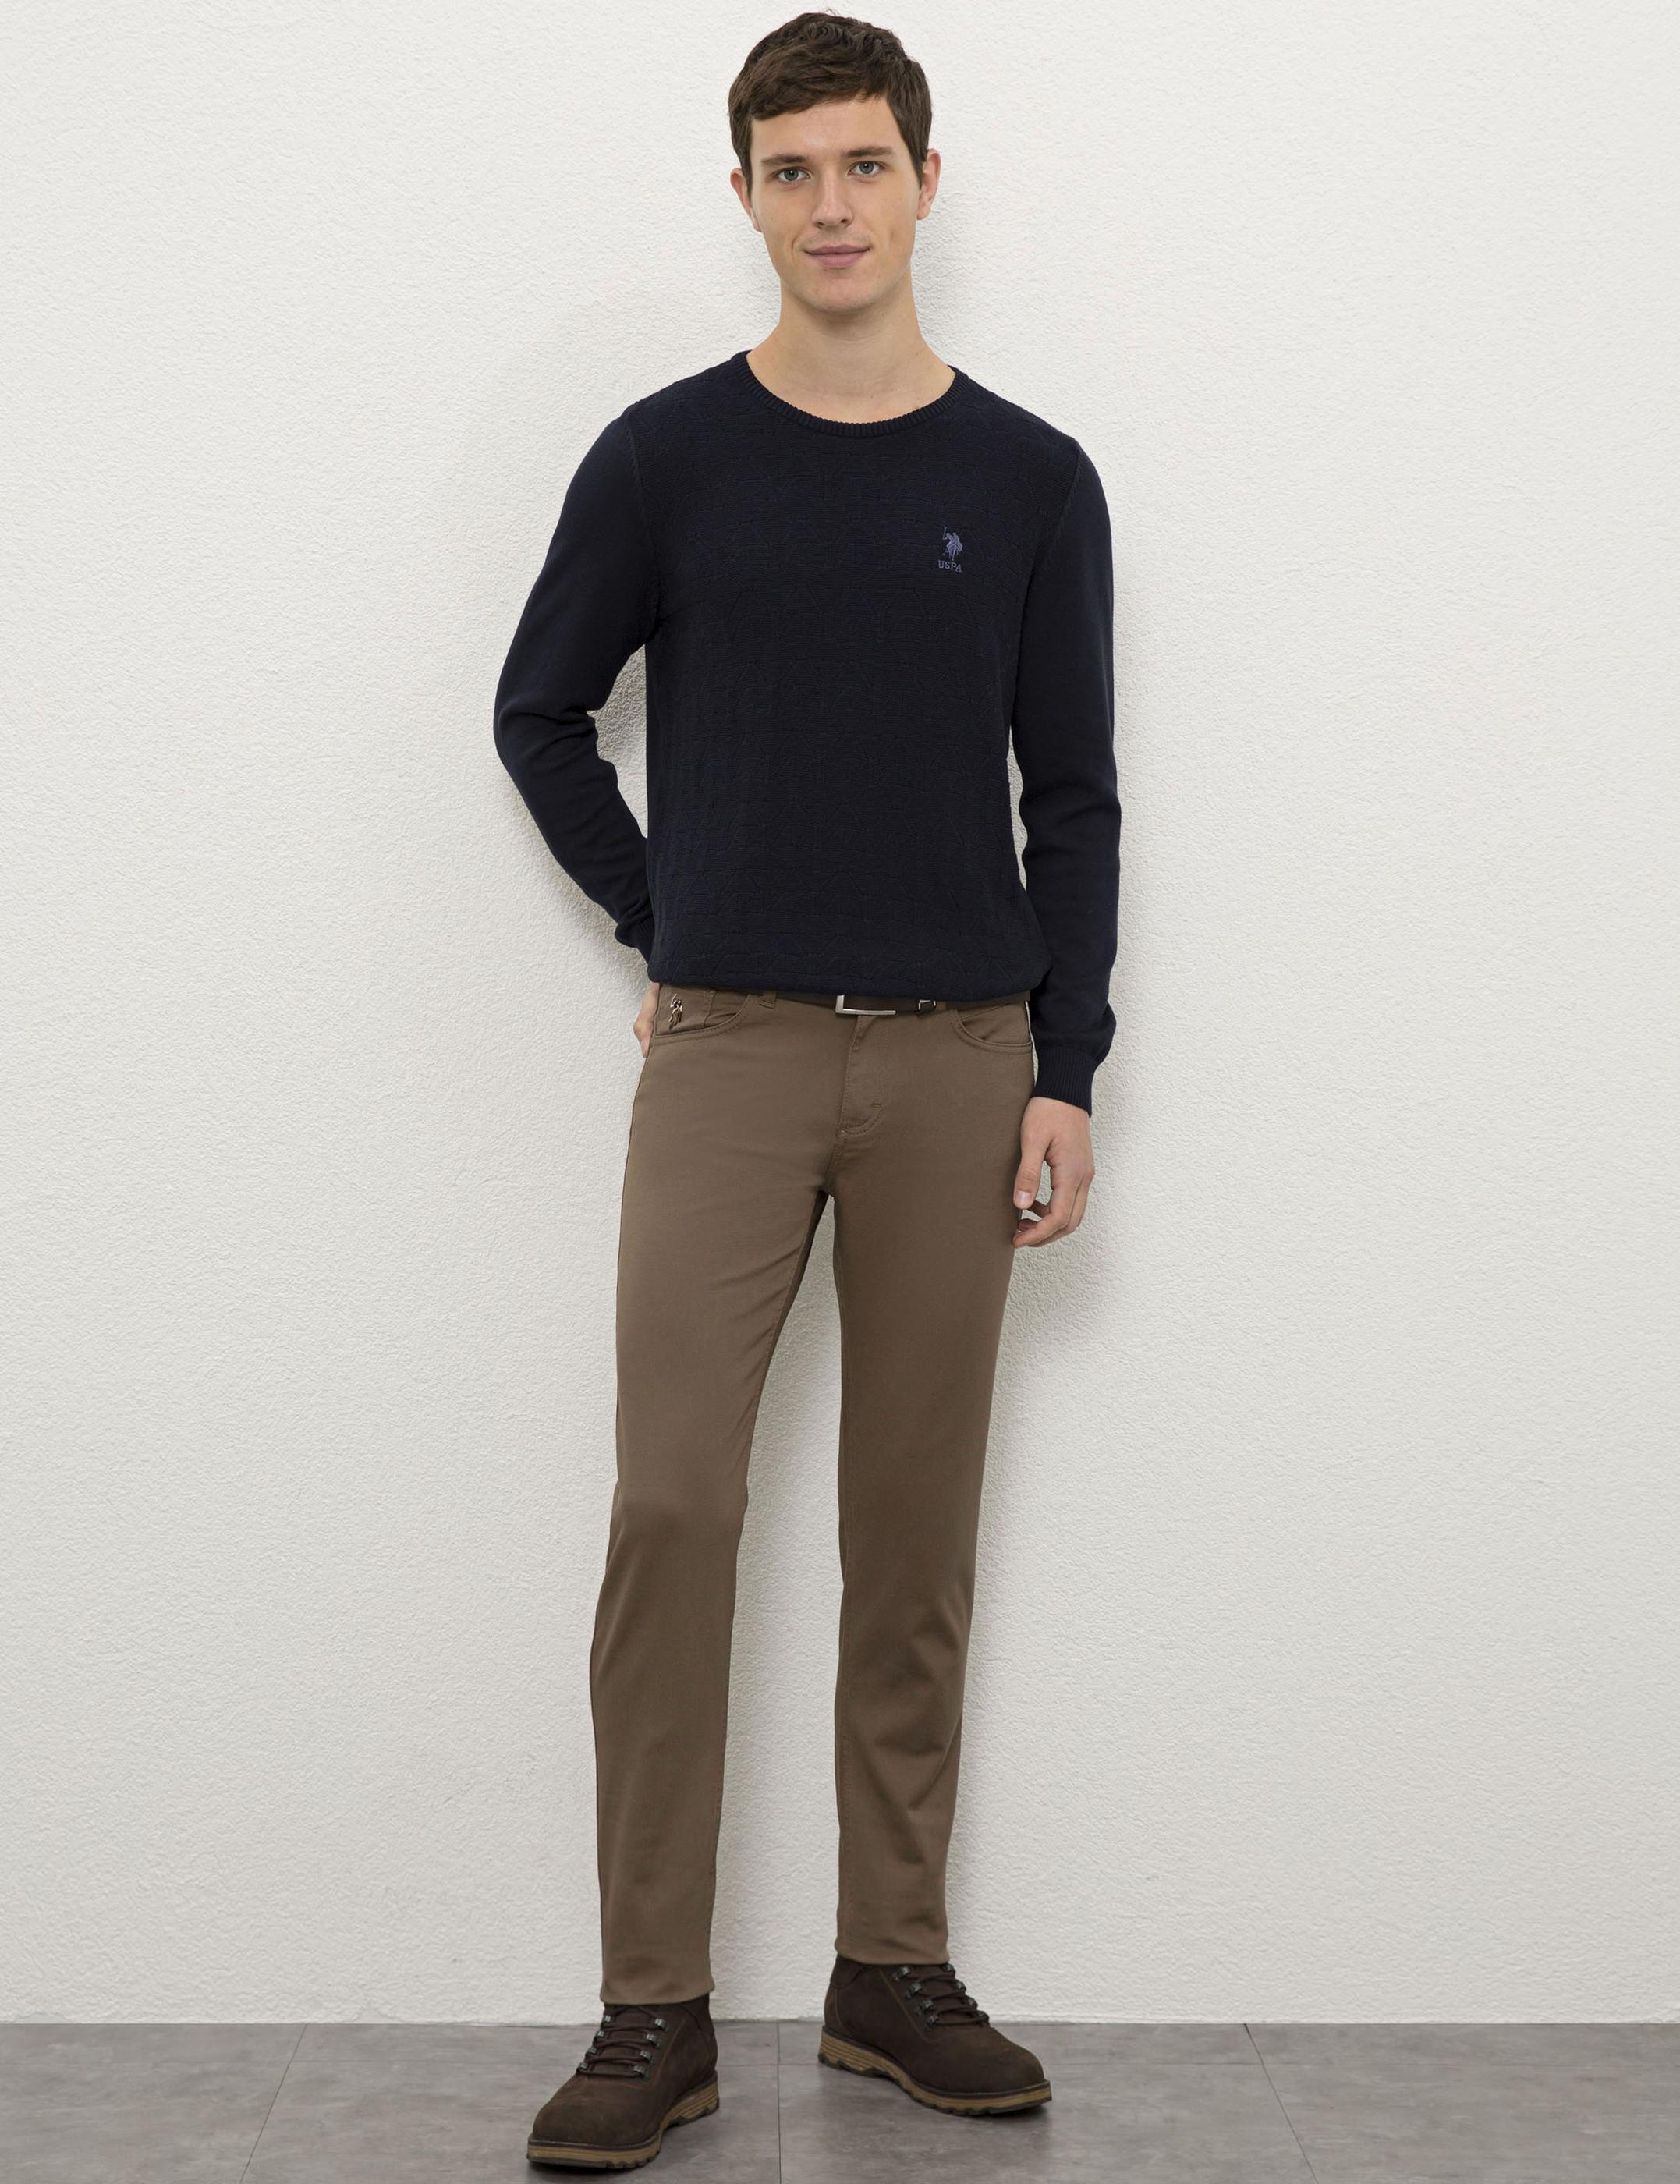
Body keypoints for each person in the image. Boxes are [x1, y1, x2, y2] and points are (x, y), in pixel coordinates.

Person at [494, 12, 1120, 2169]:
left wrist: (1066, 1067)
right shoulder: (666, 458)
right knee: (674, 1505)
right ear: (746, 194)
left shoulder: (1029, 479)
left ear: (926, 181)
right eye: (791, 171)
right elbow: (538, 711)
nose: (831, 206)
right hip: (733, 1052)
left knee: (912, 1532)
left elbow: (1074, 794)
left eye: (864, 164)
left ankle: (890, 1969)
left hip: (962, 1061)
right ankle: (649, 2006)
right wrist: (657, 920)